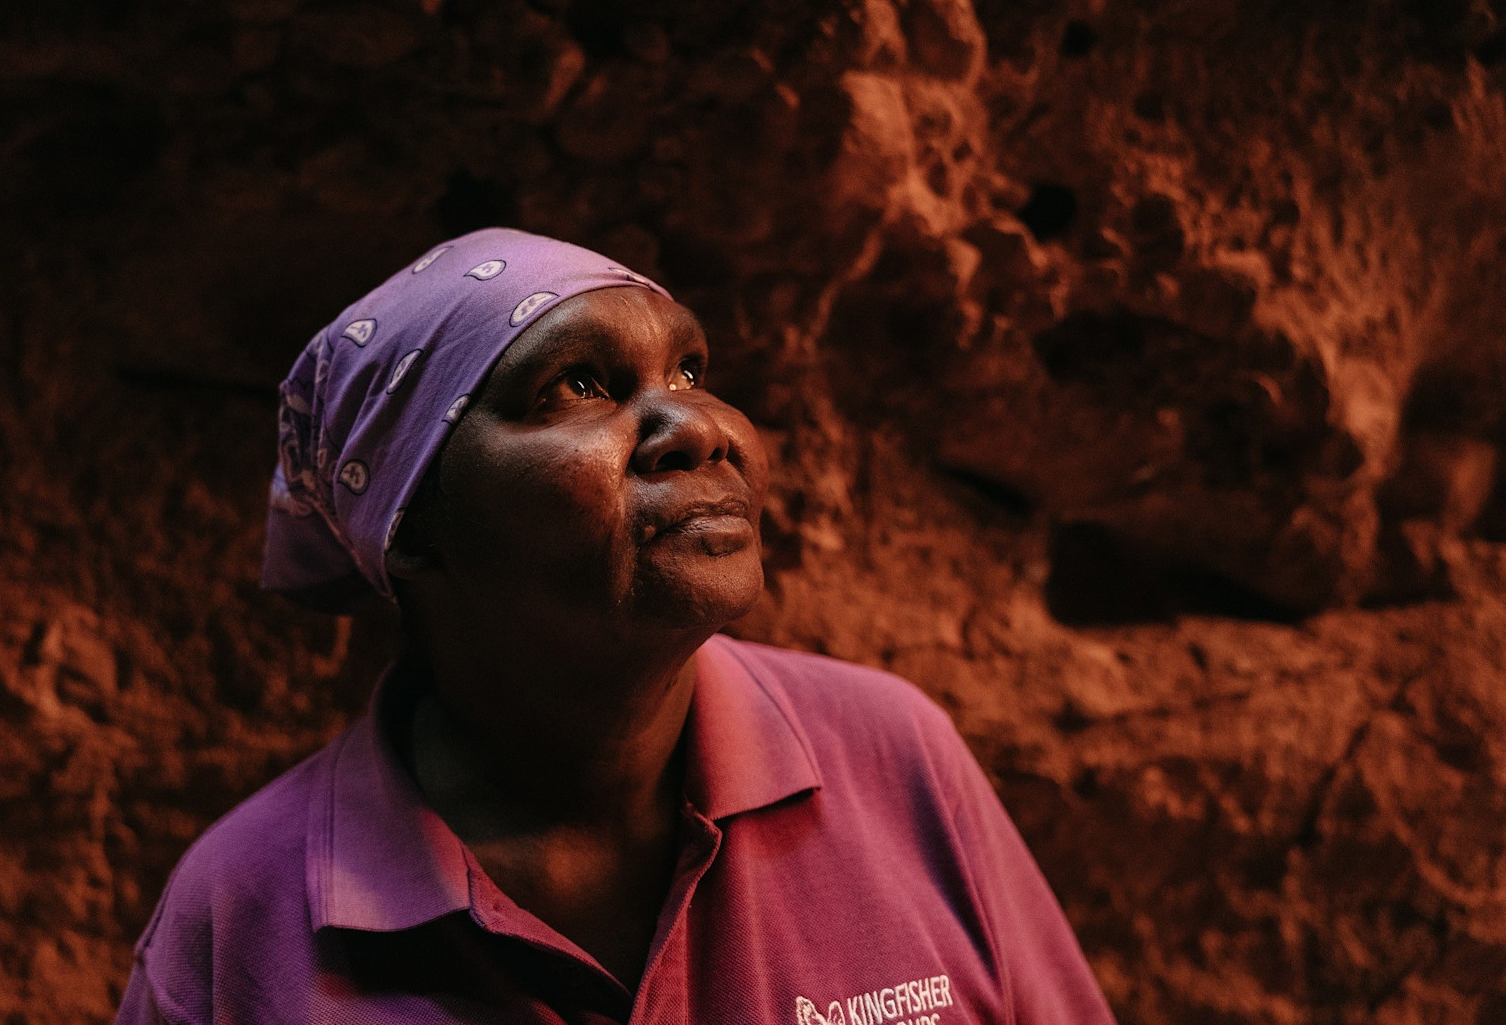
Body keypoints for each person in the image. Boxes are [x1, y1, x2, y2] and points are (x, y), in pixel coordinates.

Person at [116, 228, 1116, 1025]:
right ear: (412, 526)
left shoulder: (893, 758)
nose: (701, 426)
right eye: (578, 384)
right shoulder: (246, 915)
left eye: (688, 370)